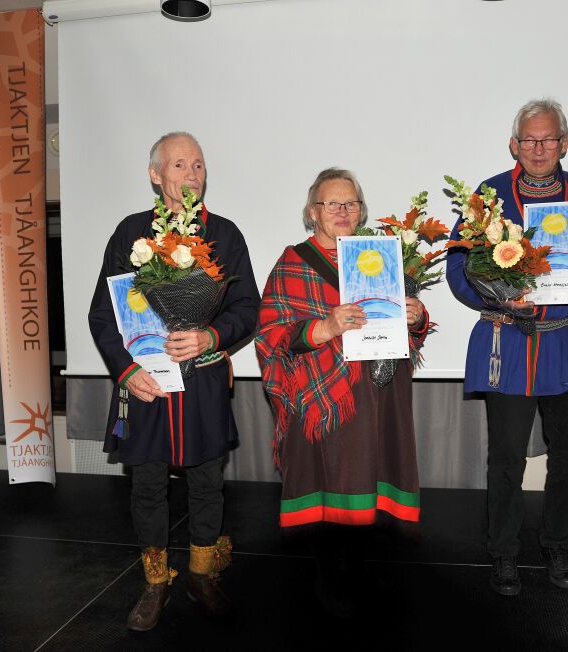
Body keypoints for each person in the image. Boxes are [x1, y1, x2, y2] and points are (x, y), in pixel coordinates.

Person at [447, 98, 568, 597]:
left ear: (564, 144)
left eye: (548, 139)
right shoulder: (488, 195)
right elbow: (457, 268)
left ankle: (558, 546)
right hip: (508, 341)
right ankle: (504, 552)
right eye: (528, 140)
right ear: (514, 144)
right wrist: (502, 299)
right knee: (505, 457)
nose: (538, 148)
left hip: (566, 340)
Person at [88, 132, 260, 629]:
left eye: (199, 165)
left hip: (204, 382)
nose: (192, 174)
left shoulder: (225, 234)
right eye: (180, 164)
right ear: (155, 174)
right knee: (147, 487)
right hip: (145, 384)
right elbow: (104, 314)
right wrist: (127, 371)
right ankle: (155, 581)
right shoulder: (129, 234)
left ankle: (202, 575)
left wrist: (211, 336)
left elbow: (247, 308)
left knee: (208, 484)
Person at [254, 167, 430, 614]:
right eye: (332, 203)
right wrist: (324, 327)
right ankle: (330, 580)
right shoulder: (292, 263)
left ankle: (361, 570)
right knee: (332, 482)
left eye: (350, 203)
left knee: (368, 481)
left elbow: (405, 330)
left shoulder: (384, 256)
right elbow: (272, 335)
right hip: (325, 399)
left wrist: (416, 316)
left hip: (377, 394)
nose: (342, 211)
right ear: (313, 212)